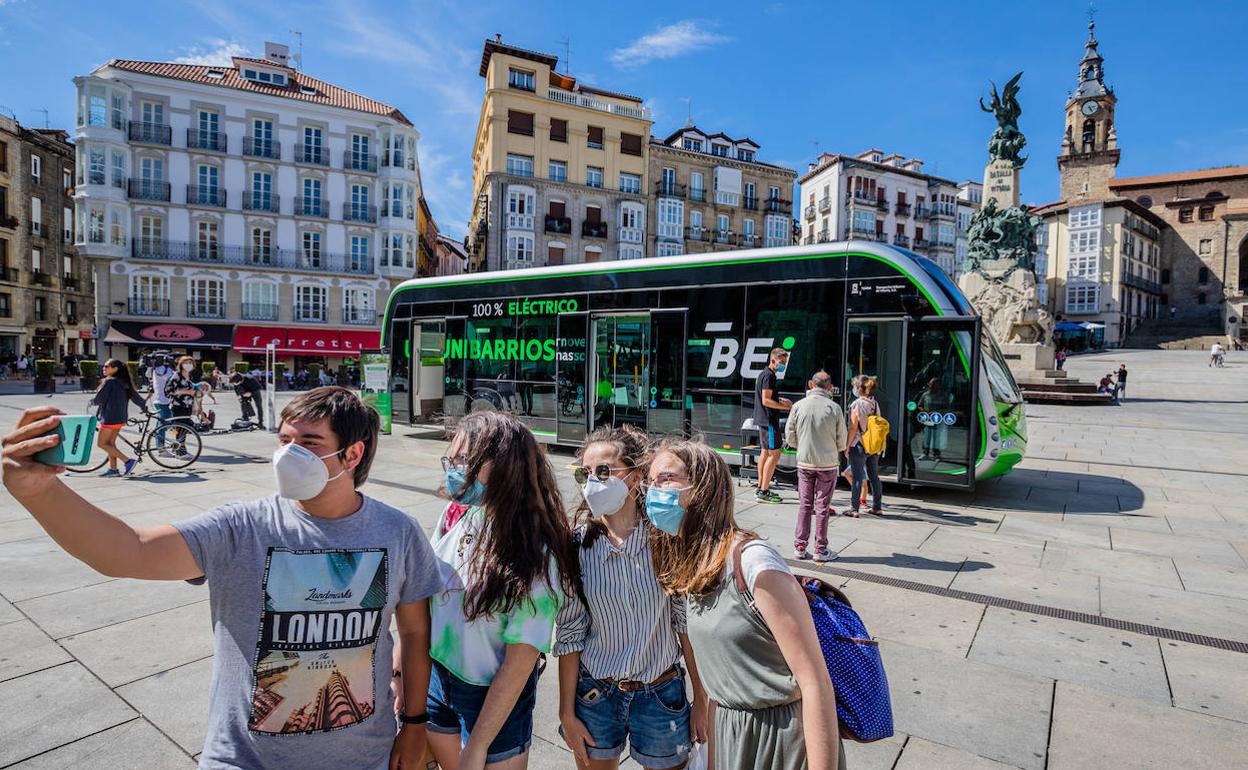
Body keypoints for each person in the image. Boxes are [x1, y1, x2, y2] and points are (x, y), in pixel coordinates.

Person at [2, 388, 442, 768]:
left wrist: (415, 725)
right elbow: (129, 550)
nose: (290, 454)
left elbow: (415, 632)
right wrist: (40, 493)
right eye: (285, 440)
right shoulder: (241, 527)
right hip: (244, 759)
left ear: (353, 453)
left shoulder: (397, 531)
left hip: (365, 756)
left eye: (309, 442)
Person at [646, 438, 843, 770]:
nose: (653, 491)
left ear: (703, 487)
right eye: (650, 482)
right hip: (729, 736)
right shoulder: (695, 564)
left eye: (666, 479)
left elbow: (814, 681)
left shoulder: (754, 562)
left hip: (779, 741)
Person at [425, 411, 581, 768]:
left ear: (504, 467)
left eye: (464, 460)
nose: (454, 469)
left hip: (493, 699)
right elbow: (426, 596)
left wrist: (478, 744)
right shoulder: (456, 513)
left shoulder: (536, 553)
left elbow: (519, 662)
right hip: (439, 681)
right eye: (452, 459)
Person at [555, 425, 709, 769]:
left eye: (605, 471)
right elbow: (570, 632)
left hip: (660, 693)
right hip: (596, 695)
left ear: (636, 477)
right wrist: (567, 711)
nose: (593, 480)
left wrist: (702, 697)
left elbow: (684, 622)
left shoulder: (664, 539)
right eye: (586, 472)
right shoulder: (575, 547)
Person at [784, 371, 848, 561]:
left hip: (805, 462)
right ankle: (820, 549)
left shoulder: (798, 406)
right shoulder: (834, 408)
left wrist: (801, 446)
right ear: (829, 387)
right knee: (822, 506)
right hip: (827, 464)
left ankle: (800, 546)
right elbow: (842, 440)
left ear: (811, 384)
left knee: (804, 504)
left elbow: (789, 435)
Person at [90, 358, 147, 477]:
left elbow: (99, 399)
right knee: (110, 443)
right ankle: (113, 469)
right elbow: (136, 397)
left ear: (115, 369)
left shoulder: (109, 381)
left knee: (101, 444)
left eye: (106, 366)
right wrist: (144, 407)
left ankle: (128, 461)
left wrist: (92, 401)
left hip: (109, 418)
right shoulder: (124, 382)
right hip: (120, 418)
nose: (103, 368)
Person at [753, 348, 792, 504]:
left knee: (765, 453)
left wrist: (781, 400)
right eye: (782, 362)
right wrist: (786, 407)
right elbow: (766, 400)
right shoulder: (769, 376)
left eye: (785, 362)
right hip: (769, 420)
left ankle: (761, 487)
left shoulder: (763, 374)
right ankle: (764, 490)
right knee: (774, 454)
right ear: (773, 360)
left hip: (763, 419)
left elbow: (768, 395)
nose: (783, 365)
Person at [845, 375, 884, 516]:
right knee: (874, 476)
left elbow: (853, 427)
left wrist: (847, 445)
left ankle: (854, 509)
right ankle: (877, 507)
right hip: (873, 445)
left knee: (857, 477)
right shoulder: (874, 403)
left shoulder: (857, 404)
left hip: (859, 445)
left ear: (858, 388)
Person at [164, 356, 200, 453]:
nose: (188, 365)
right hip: (178, 406)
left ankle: (177, 448)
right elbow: (168, 391)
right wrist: (185, 391)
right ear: (181, 364)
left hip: (187, 406)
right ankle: (180, 451)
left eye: (190, 363)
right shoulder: (177, 376)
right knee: (180, 428)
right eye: (186, 362)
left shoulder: (189, 376)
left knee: (183, 429)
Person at [146, 355, 176, 455]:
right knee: (164, 425)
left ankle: (166, 443)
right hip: (164, 401)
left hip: (159, 400)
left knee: (164, 424)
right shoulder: (164, 370)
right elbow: (173, 380)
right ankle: (161, 448)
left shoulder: (155, 370)